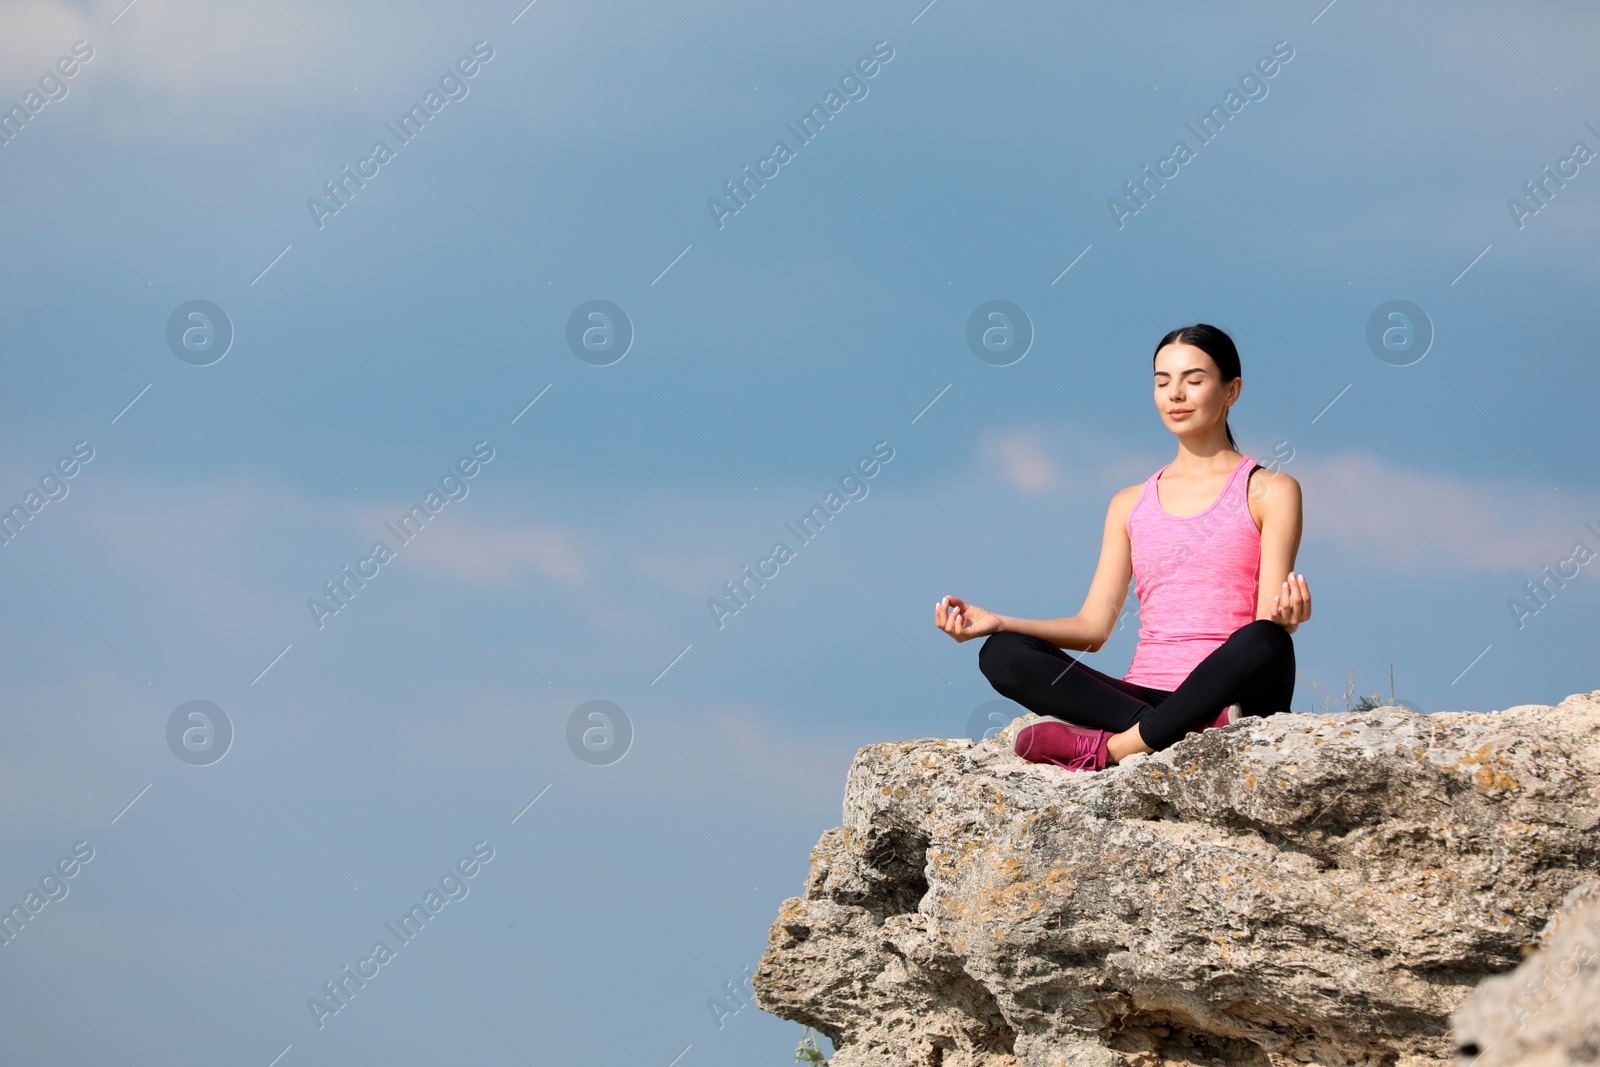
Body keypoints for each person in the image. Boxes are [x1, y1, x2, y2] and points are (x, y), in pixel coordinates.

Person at [933, 323, 1309, 772]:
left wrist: (1288, 620)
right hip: (1141, 698)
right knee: (1002, 652)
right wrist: (999, 621)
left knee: (1266, 640)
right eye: (1162, 381)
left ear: (1232, 390)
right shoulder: (1129, 504)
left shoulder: (1269, 490)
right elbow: (1093, 628)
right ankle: (1176, 731)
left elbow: (1268, 618)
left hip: (1235, 695)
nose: (1176, 394)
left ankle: (1109, 750)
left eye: (1194, 379)